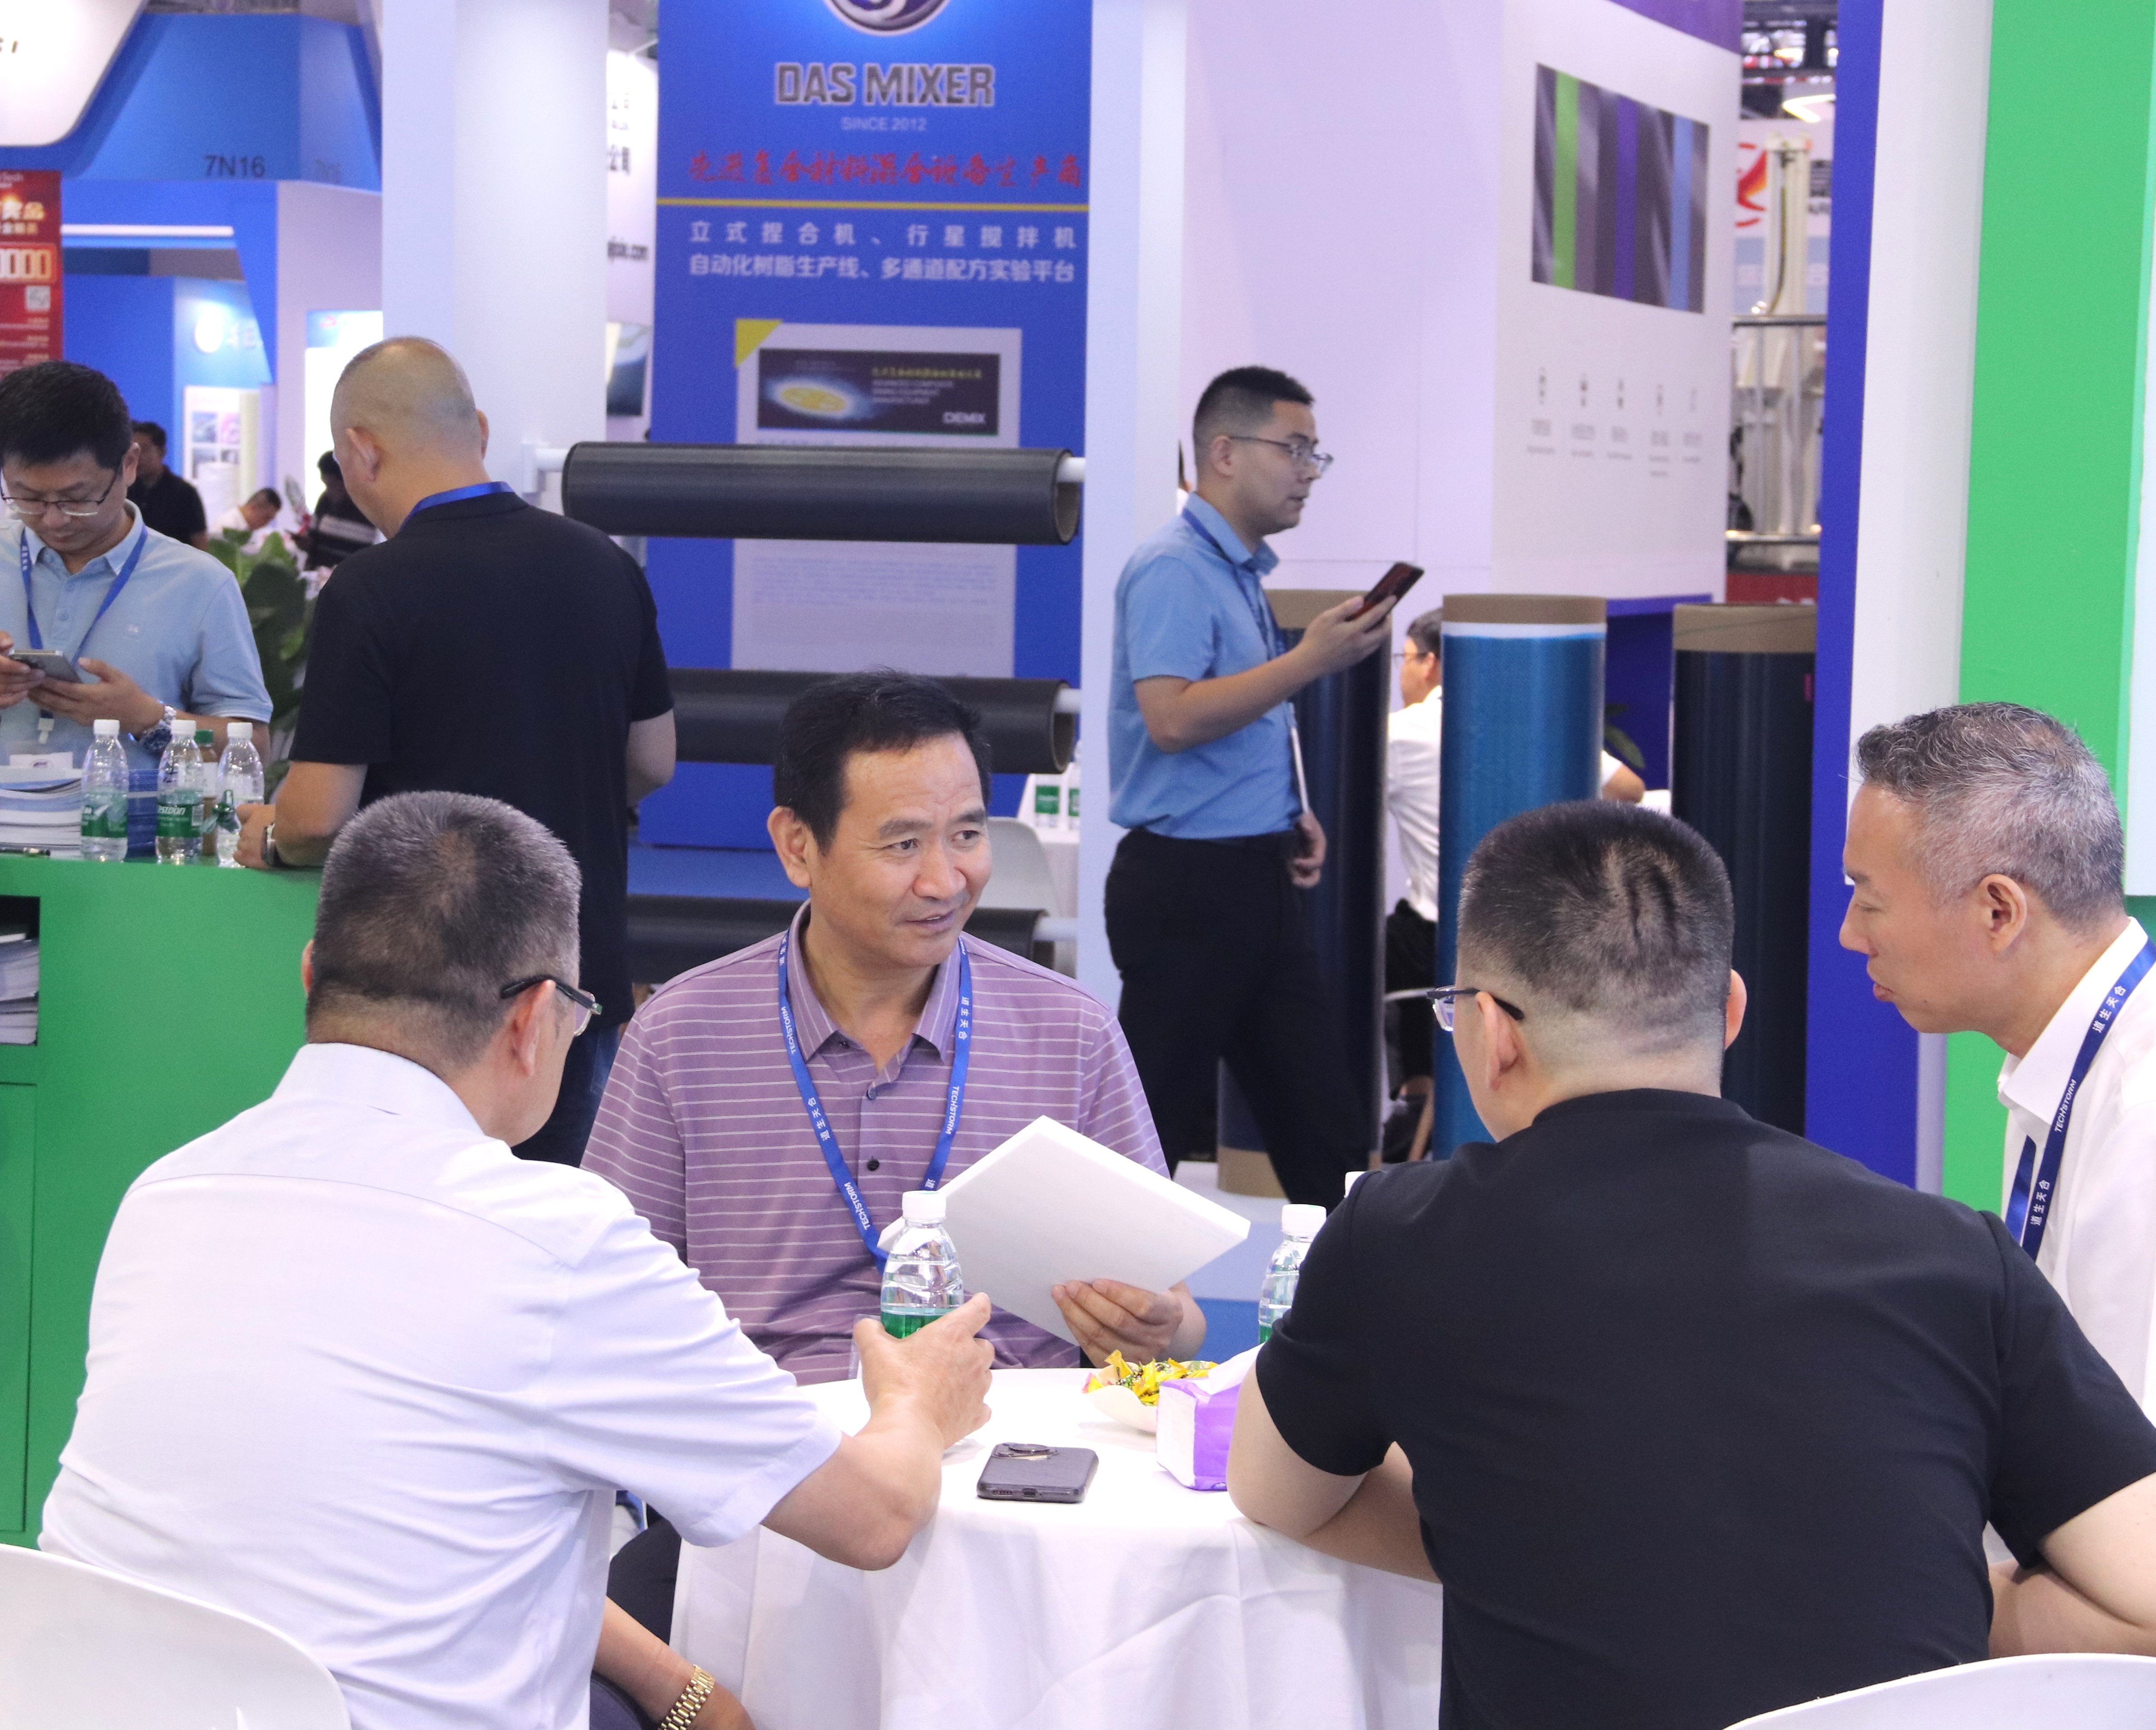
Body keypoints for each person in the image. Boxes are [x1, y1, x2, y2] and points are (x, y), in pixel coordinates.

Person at [41, 791, 995, 1730]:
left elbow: (377, 1535)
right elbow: (872, 1517)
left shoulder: (169, 1192)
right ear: (535, 1017)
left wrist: (681, 1691)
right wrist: (918, 1401)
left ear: (309, 974)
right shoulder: (553, 1241)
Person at [1227, 798, 2156, 1728]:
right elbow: (2145, 1602)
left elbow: (1276, 1492)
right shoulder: (1956, 1257)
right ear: (1730, 1012)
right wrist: (1927, 1590)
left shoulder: (1398, 1235)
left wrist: (1515, 1537)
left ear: (1492, 1031)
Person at [585, 671, 1205, 1386]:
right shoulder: (681, 1035)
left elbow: (1181, 1319)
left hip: (1009, 1429)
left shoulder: (1071, 1033)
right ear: (797, 845)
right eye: (904, 844)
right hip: (770, 1426)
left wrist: (1156, 1327)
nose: (945, 881)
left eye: (966, 834)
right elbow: (608, 1303)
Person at [238, 336, 676, 1168]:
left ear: (360, 452)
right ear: (477, 428)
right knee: (551, 1219)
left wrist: (267, 831)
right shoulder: (604, 563)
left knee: (418, 1221)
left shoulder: (370, 589)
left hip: (426, 992)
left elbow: (317, 816)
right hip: (571, 976)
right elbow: (653, 761)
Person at [1106, 366, 1394, 1204]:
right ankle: (1093, 1297)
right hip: (1187, 887)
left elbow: (1239, 716)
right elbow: (1171, 717)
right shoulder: (1173, 567)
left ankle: (1357, 1287)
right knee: (1145, 1141)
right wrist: (1310, 660)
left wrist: (1287, 810)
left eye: (1315, 454)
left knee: (1326, 1132)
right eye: (1294, 449)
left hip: (1252, 874)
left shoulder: (1236, 572)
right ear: (1225, 453)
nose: (1309, 471)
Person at [1842, 701, 2156, 1397]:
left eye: (1869, 901)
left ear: (1999, 911)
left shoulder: (2142, 1115)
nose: (1850, 935)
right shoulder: (2068, 1064)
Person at [1381, 608, 1643, 1154]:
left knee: (1399, 942)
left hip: (1437, 938)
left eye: (1405, 659)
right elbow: (1629, 789)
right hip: (1542, 935)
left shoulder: (1400, 733)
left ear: (1431, 663)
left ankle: (1415, 1104)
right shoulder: (1535, 721)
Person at [0, 364, 270, 772]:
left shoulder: (200, 583)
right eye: (28, 498)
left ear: (129, 465)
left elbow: (254, 750)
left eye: (78, 498)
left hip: (130, 815)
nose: (53, 520)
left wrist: (148, 719)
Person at [126, 420, 209, 550]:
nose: (138, 457)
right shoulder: (127, 489)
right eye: (133, 451)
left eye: (144, 450)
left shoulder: (185, 493)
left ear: (162, 452)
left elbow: (199, 540)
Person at [299, 450, 377, 572]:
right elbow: (313, 537)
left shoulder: (364, 506)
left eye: (332, 485)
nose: (329, 490)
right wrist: (304, 542)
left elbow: (364, 548)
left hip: (348, 575)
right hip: (318, 573)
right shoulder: (325, 500)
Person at [215, 485, 285, 553]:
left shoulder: (248, 528)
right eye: (266, 518)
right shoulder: (228, 525)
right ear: (253, 509)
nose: (266, 524)